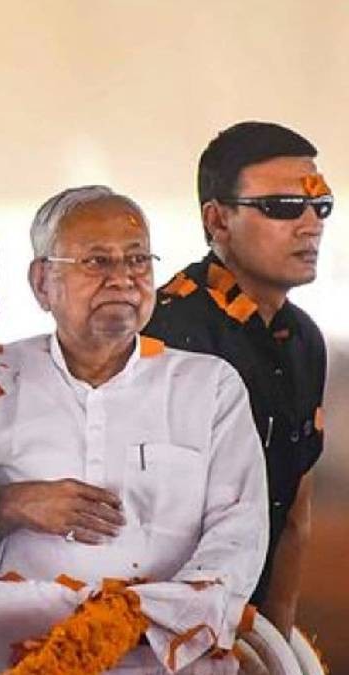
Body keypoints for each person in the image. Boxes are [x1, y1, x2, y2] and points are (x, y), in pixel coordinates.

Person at [0, 186, 267, 666]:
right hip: (12, 654)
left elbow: (239, 536)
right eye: (97, 261)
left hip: (164, 653)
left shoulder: (208, 386)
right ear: (42, 283)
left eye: (138, 260)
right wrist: (10, 505)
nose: (122, 278)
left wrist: (134, 619)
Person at [144, 122, 328, 636]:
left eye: (321, 207)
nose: (310, 225)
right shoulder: (163, 331)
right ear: (217, 219)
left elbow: (294, 512)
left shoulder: (303, 339)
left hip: (245, 625)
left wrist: (275, 642)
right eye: (283, 207)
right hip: (157, 624)